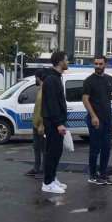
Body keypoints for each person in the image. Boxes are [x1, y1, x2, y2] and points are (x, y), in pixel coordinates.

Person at [82, 55, 112, 185]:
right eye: (96, 64)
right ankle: (92, 175)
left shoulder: (109, 79)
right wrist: (93, 116)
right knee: (95, 148)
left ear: (105, 65)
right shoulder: (89, 81)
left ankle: (103, 174)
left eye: (100, 64)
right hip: (95, 120)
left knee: (107, 148)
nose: (98, 66)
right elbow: (85, 99)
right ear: (93, 64)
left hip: (108, 119)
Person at [39, 52, 69, 194]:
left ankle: (52, 177)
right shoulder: (52, 79)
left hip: (55, 121)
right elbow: (52, 103)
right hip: (52, 122)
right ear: (61, 63)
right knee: (52, 151)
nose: (68, 61)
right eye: (66, 59)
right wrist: (58, 123)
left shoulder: (55, 77)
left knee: (57, 151)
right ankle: (47, 182)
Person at [24, 69, 46, 178]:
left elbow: (45, 109)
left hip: (42, 125)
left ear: (38, 77)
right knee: (36, 147)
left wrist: (42, 124)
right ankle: (36, 168)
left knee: (44, 148)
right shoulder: (40, 89)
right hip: (35, 124)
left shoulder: (45, 90)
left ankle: (44, 170)